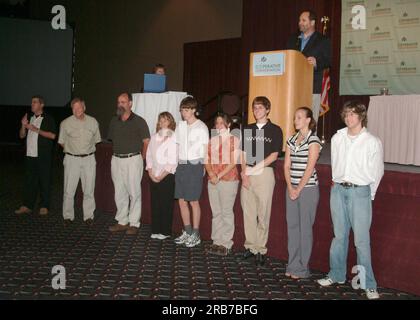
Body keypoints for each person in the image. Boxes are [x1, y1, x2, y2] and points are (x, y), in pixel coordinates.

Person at [317, 101, 384, 300]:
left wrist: (368, 195)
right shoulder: (338, 137)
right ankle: (336, 274)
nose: (348, 118)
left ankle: (368, 284)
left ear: (361, 116)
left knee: (361, 241)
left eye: (352, 114)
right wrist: (336, 184)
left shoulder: (372, 141)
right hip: (338, 190)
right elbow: (335, 164)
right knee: (339, 237)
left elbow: (378, 171)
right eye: (346, 114)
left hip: (360, 192)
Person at [241, 96, 283, 266]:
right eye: (254, 108)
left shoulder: (275, 130)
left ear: (267, 110)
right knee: (248, 212)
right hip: (247, 173)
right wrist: (244, 174)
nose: (256, 111)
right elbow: (243, 154)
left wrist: (254, 169)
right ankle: (250, 247)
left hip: (264, 173)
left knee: (263, 213)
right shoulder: (248, 129)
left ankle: (261, 249)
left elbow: (274, 155)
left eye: (260, 108)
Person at [284, 107, 322, 279]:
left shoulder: (313, 140)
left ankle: (302, 268)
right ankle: (292, 265)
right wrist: (290, 187)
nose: (296, 120)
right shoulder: (291, 139)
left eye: (299, 117)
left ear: (308, 120)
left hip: (307, 190)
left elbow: (310, 167)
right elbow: (286, 166)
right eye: (295, 118)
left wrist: (298, 189)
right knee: (292, 228)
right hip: (291, 189)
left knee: (305, 229)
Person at [107, 93, 150, 235]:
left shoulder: (139, 121)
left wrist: (141, 159)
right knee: (119, 191)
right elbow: (112, 140)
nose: (120, 104)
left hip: (133, 160)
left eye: (123, 102)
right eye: (118, 102)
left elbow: (146, 142)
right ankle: (122, 221)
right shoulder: (114, 121)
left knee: (134, 192)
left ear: (130, 103)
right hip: (116, 160)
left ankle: (134, 223)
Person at [58, 98, 101, 226]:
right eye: (74, 108)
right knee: (69, 190)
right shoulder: (65, 123)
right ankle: (68, 216)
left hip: (89, 159)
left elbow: (96, 140)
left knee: (89, 190)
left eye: (79, 107)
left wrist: (84, 151)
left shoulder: (93, 122)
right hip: (72, 159)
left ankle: (88, 216)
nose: (77, 110)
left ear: (84, 107)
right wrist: (73, 150)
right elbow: (61, 142)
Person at [174, 96, 209, 248]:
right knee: (181, 200)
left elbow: (206, 151)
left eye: (187, 110)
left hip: (195, 165)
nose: (184, 112)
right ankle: (187, 231)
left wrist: (204, 168)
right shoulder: (180, 126)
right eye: (182, 109)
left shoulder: (201, 127)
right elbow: (177, 147)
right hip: (181, 165)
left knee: (193, 201)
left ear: (194, 110)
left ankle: (196, 234)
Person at [205, 114, 240, 256]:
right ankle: (216, 241)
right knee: (216, 212)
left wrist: (218, 175)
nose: (219, 126)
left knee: (226, 212)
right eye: (217, 123)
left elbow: (233, 162)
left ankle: (226, 243)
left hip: (228, 180)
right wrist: (211, 174)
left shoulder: (234, 140)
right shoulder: (211, 140)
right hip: (213, 180)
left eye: (222, 123)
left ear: (228, 125)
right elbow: (206, 159)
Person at [286, 10, 331, 123]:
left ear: (312, 22)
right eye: (299, 20)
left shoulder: (323, 40)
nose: (300, 23)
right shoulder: (293, 39)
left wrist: (317, 62)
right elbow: (286, 57)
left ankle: (311, 141)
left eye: (303, 20)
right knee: (294, 119)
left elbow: (328, 60)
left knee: (310, 122)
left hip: (312, 86)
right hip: (293, 86)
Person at [15, 95, 57, 216]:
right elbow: (22, 136)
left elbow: (53, 136)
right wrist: (23, 125)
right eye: (32, 102)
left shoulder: (48, 119)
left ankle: (44, 205)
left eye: (35, 102)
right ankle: (27, 205)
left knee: (44, 180)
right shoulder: (30, 118)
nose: (32, 104)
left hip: (43, 156)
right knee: (29, 181)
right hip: (30, 155)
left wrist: (35, 129)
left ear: (41, 105)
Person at [146, 112, 178, 240]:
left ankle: (165, 231)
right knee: (155, 203)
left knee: (166, 204)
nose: (163, 123)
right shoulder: (154, 137)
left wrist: (161, 176)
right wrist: (150, 172)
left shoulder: (174, 138)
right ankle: (156, 229)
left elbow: (173, 160)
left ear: (170, 122)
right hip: (153, 175)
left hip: (167, 176)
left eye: (165, 120)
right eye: (161, 120)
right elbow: (148, 155)